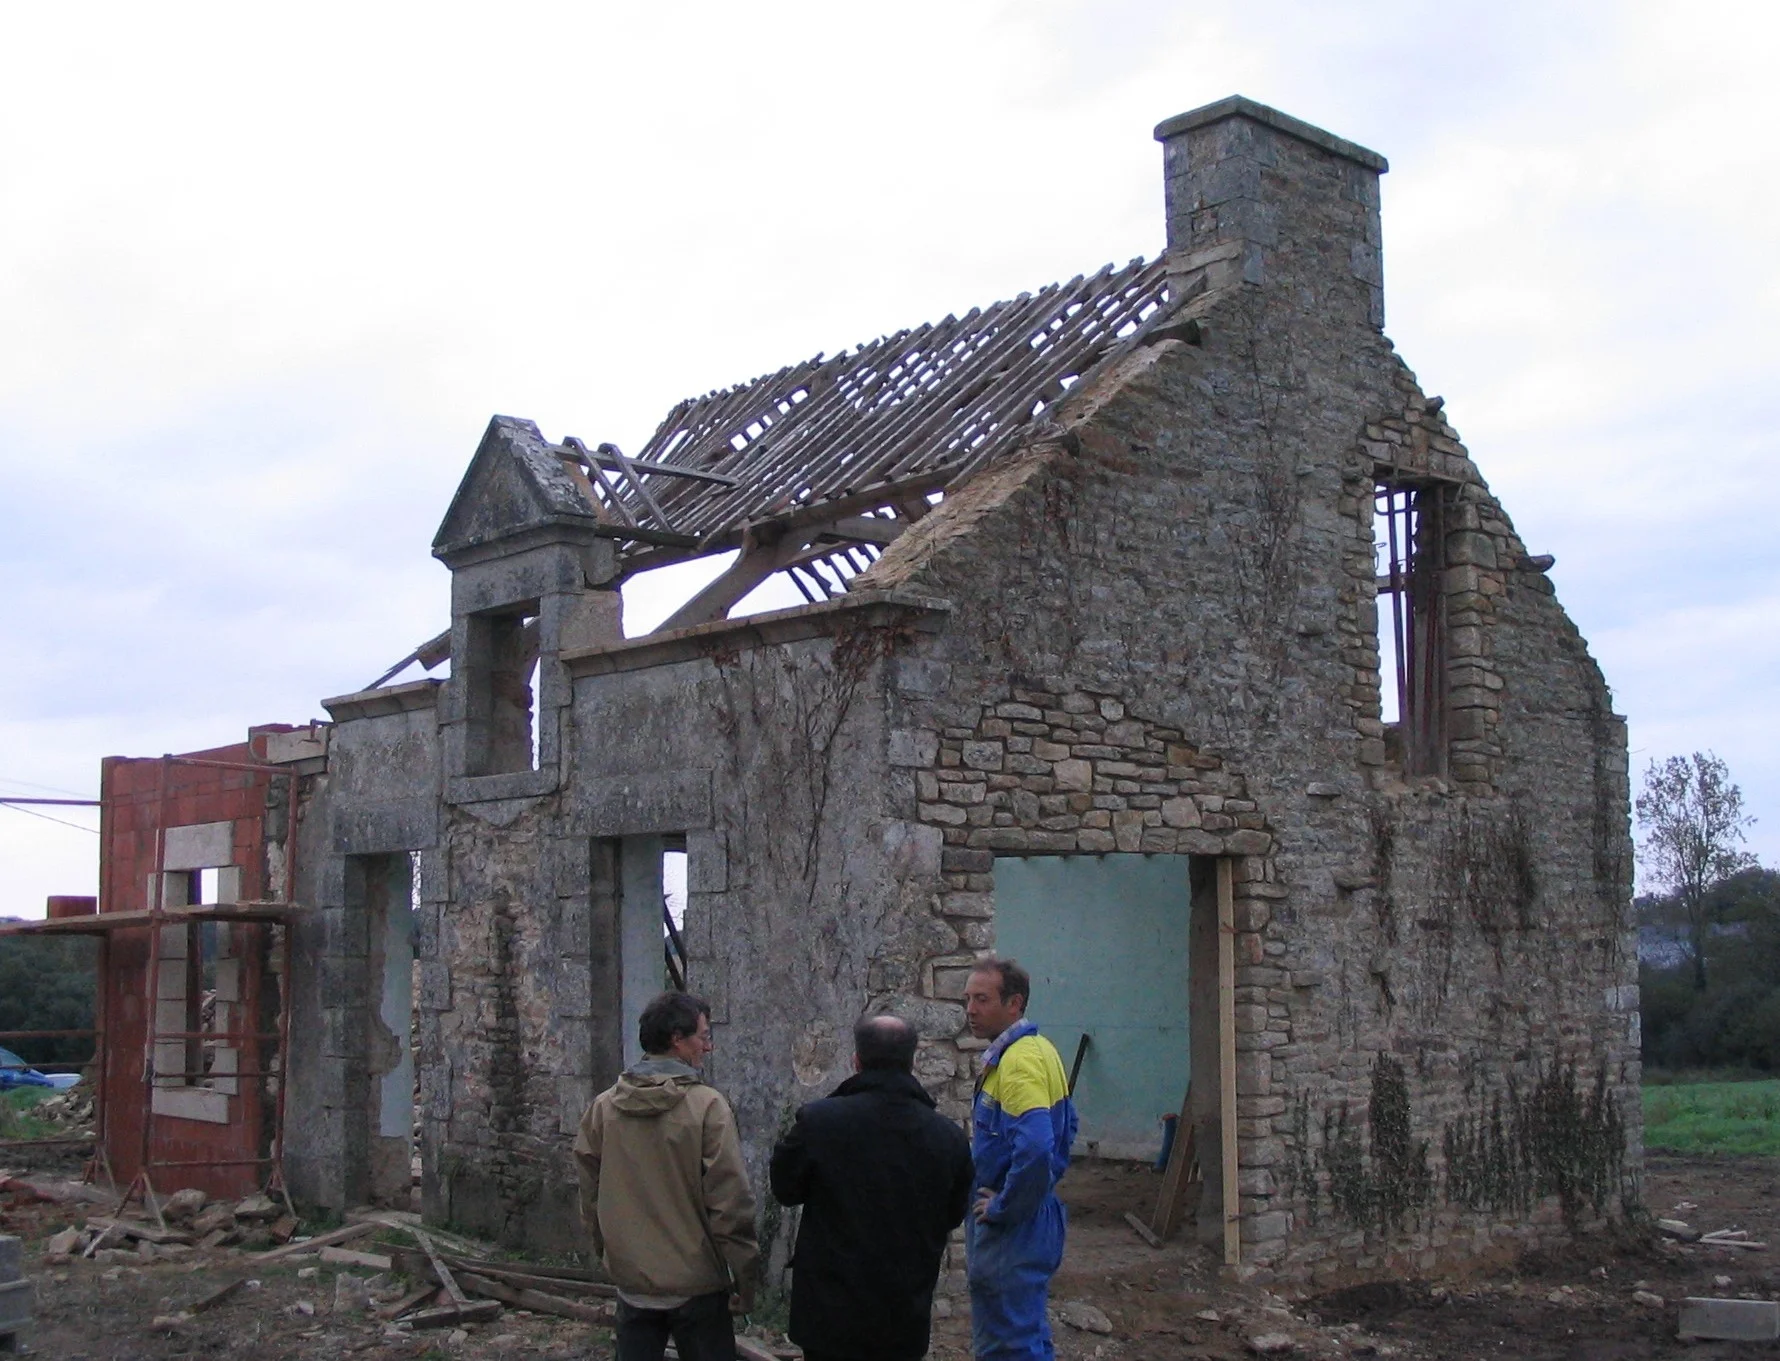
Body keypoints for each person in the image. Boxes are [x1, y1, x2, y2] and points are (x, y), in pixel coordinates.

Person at [769, 1014, 974, 1361]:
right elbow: (953, 1212)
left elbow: (785, 1189)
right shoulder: (948, 1137)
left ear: (856, 1061)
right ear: (912, 1062)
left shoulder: (819, 1122)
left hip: (829, 1313)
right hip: (903, 1312)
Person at [573, 991, 759, 1361]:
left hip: (634, 1283)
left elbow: (589, 1193)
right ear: (677, 1038)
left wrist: (609, 1253)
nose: (708, 1047)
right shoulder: (707, 1107)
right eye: (704, 1037)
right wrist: (744, 1276)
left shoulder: (604, 1107)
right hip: (697, 1284)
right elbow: (730, 1201)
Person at [963, 958, 1077, 1361]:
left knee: (1007, 1345)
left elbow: (1035, 1148)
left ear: (1014, 1003)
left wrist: (1004, 1206)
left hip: (1013, 1229)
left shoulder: (1018, 1063)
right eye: (968, 999)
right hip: (1034, 1217)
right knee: (1027, 1334)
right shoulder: (1041, 1050)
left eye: (982, 999)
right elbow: (1069, 1127)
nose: (971, 1010)